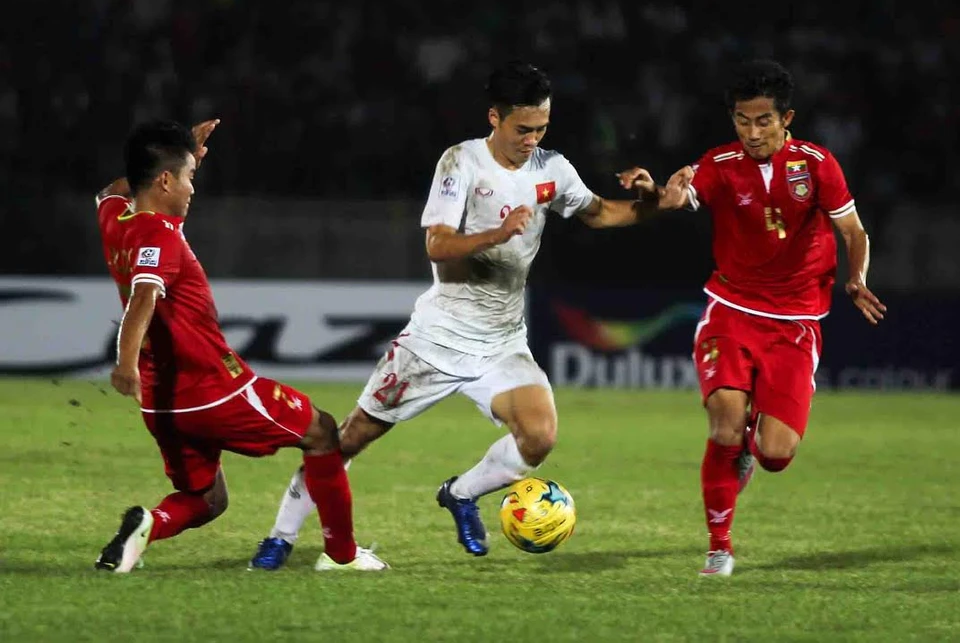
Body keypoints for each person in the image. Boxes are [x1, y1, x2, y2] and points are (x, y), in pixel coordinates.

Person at [249, 60, 691, 569]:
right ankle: (280, 538)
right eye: (523, 129)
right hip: (437, 338)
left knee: (539, 436)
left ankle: (459, 493)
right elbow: (437, 245)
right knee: (349, 438)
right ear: (494, 118)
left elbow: (598, 213)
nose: (532, 139)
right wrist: (496, 235)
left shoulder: (551, 168)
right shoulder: (461, 162)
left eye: (542, 128)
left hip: (502, 340)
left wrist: (658, 204)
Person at [618, 59, 887, 577]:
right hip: (731, 310)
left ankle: (749, 447)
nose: (753, 132)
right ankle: (719, 547)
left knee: (776, 454)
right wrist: (653, 190)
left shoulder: (817, 164)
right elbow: (678, 197)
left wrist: (856, 278)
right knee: (724, 422)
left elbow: (854, 231)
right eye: (743, 121)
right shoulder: (719, 163)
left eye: (764, 121)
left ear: (787, 119)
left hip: (796, 322)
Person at [93, 119, 388, 573]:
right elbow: (144, 295)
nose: (193, 189)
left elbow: (110, 191)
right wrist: (124, 362)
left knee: (206, 498)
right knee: (322, 431)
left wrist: (181, 151)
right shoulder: (158, 234)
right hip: (212, 387)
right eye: (188, 176)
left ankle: (147, 527)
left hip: (161, 401)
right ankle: (342, 556)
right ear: (165, 181)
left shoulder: (115, 216)